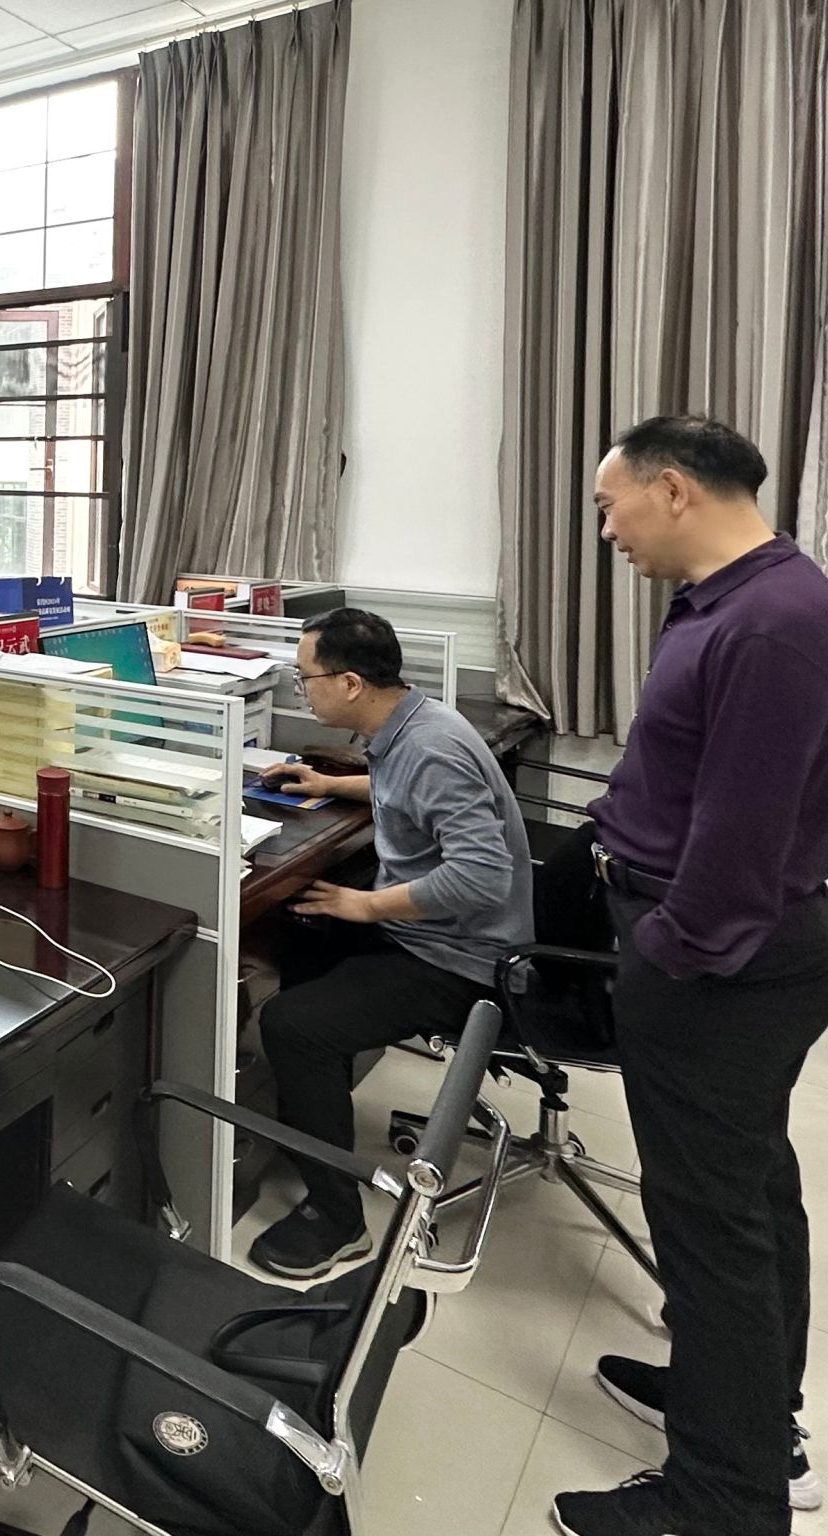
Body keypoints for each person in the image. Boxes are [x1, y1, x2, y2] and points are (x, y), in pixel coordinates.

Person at [552, 417, 828, 1536]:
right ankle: (750, 1412)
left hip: (718, 963)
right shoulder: (732, 601)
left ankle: (723, 1500)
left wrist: (668, 949)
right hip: (718, 948)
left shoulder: (772, 622)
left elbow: (744, 832)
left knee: (710, 1220)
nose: (607, 530)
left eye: (608, 506)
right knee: (747, 1185)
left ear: (670, 490)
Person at [248, 607, 532, 1281]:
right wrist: (330, 784)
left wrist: (366, 904)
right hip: (436, 935)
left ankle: (337, 1221)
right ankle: (312, 1118)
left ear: (349, 683)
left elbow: (482, 876)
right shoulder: (412, 725)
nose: (301, 690)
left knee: (292, 1024)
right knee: (303, 933)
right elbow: (403, 791)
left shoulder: (430, 747)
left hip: (464, 960)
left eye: (305, 677)